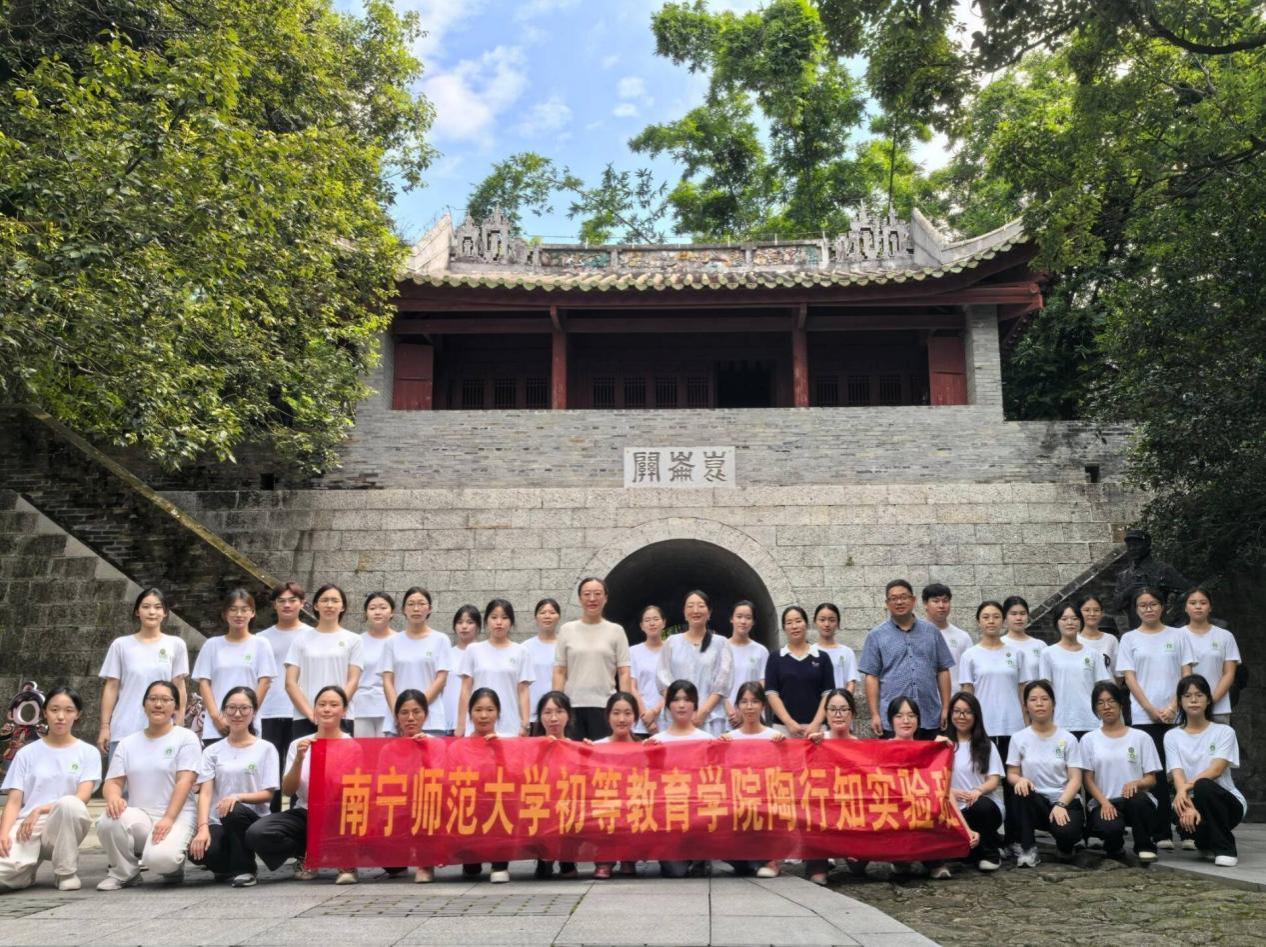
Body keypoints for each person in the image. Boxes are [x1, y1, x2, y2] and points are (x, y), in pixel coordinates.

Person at [244, 685, 356, 884]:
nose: (327, 709)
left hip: (339, 815)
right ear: (314, 709)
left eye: (333, 705)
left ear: (344, 710)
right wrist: (299, 760)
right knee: (257, 833)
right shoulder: (299, 744)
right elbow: (288, 791)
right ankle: (306, 853)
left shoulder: (352, 746)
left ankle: (344, 860)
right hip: (306, 812)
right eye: (322, 704)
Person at [95, 680, 201, 890]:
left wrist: (168, 818)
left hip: (177, 815)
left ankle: (172, 865)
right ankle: (125, 873)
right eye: (152, 699)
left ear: (175, 706)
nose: (158, 704)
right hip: (141, 816)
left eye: (165, 700)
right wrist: (114, 798)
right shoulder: (127, 743)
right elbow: (113, 781)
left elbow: (185, 780)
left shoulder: (185, 738)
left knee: (162, 861)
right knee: (108, 820)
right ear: (144, 705)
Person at [0, 686, 100, 891]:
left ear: (77, 714)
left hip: (63, 824)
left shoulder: (88, 752)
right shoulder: (26, 753)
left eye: (68, 710)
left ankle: (65, 872)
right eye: (54, 710)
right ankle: (24, 873)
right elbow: (14, 801)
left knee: (70, 804)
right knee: (4, 875)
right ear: (45, 713)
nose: (60, 716)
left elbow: (82, 797)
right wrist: (3, 834)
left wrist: (40, 809)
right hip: (26, 826)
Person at [1117, 586, 1194, 848]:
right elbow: (1129, 678)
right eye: (1142, 605)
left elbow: (1186, 674)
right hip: (1144, 716)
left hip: (1176, 714)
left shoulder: (1179, 635)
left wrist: (1173, 705)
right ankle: (1161, 833)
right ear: (1136, 609)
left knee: (1182, 771)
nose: (1148, 609)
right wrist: (1150, 708)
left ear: (1162, 606)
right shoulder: (1129, 639)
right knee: (1155, 775)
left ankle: (1188, 830)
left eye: (1153, 604)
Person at [188, 686, 280, 887]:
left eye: (244, 708)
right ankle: (226, 866)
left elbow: (268, 793)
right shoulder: (212, 751)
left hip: (252, 819)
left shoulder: (266, 748)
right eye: (231, 708)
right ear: (223, 711)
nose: (237, 714)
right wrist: (202, 828)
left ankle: (244, 869)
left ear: (253, 712)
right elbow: (205, 794)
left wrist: (238, 797)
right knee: (199, 852)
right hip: (218, 819)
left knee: (233, 810)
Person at [957, 600, 1027, 859]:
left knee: (1013, 784)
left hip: (1013, 728)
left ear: (1003, 620)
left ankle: (1015, 838)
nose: (991, 621)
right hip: (983, 731)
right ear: (978, 621)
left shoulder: (1015, 653)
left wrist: (1026, 725)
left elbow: (1022, 692)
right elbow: (967, 695)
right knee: (984, 782)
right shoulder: (970, 655)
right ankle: (988, 837)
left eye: (996, 616)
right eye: (986, 617)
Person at [97, 587, 190, 759]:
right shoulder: (121, 645)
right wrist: (104, 726)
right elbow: (111, 687)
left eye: (157, 607)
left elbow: (179, 685)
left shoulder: (175, 644)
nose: (152, 612)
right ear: (137, 612)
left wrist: (180, 719)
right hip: (124, 728)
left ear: (165, 613)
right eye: (146, 607)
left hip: (164, 729)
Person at [1167, 674, 1247, 867]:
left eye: (1199, 695)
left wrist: (1183, 789)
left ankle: (1226, 849)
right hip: (1190, 798)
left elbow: (1216, 770)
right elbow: (1177, 773)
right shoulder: (1172, 736)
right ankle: (1204, 841)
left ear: (1208, 699)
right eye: (1187, 696)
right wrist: (1187, 804)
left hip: (1226, 801)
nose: (1193, 700)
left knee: (1204, 785)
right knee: (1180, 815)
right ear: (1180, 701)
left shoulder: (1224, 732)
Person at [859, 579, 954, 737]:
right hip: (892, 720)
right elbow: (871, 676)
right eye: (894, 598)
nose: (899, 602)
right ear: (887, 603)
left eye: (904, 597)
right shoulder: (876, 636)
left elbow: (943, 670)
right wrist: (874, 714)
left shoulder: (932, 632)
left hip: (929, 715)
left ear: (913, 600)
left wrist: (945, 708)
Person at [1006, 680, 1085, 867]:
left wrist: (1061, 804)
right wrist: (1020, 780)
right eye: (1033, 700)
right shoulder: (1018, 738)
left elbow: (1075, 779)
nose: (1039, 704)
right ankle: (1028, 848)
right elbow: (1011, 773)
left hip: (1064, 801)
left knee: (1066, 834)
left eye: (1044, 699)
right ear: (1026, 706)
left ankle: (1066, 845)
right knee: (1021, 791)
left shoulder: (1068, 739)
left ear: (1053, 704)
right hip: (1035, 802)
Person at [1080, 681, 1160, 862]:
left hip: (1135, 800)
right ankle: (1114, 846)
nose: (1106, 707)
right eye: (1100, 703)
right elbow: (1087, 780)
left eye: (1111, 701)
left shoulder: (1141, 737)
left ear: (1121, 703)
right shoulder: (1089, 740)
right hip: (1104, 801)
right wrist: (1104, 803)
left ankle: (1145, 846)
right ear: (1095, 708)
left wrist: (1138, 783)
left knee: (1139, 800)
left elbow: (1151, 778)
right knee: (1110, 828)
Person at [192, 589, 278, 745]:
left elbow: (264, 682)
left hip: (249, 725)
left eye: (244, 609)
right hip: (217, 726)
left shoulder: (261, 644)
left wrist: (247, 714)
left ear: (252, 613)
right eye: (233, 609)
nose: (239, 614)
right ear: (225, 614)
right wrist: (216, 717)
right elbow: (204, 683)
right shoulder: (212, 645)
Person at [648, 680, 714, 878]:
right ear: (668, 706)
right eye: (676, 700)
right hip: (669, 818)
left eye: (687, 700)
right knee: (675, 872)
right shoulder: (656, 742)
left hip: (700, 815)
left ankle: (702, 856)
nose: (682, 705)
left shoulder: (708, 740)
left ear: (695, 705)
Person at [553, 578, 632, 741]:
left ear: (605, 598)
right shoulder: (567, 630)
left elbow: (624, 672)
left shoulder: (616, 631)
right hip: (572, 706)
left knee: (602, 755)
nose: (592, 599)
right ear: (579, 598)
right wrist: (556, 704)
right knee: (572, 754)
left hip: (605, 706)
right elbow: (559, 671)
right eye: (587, 594)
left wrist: (625, 705)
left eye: (597, 594)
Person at [257, 581, 313, 811]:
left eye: (292, 600)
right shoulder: (262, 638)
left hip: (301, 711)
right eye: (281, 601)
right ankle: (273, 815)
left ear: (302, 603)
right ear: (274, 605)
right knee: (271, 767)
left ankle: (296, 813)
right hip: (269, 710)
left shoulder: (312, 635)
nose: (287, 605)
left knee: (299, 764)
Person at [719, 682, 783, 879]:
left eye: (754, 701)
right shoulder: (728, 738)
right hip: (737, 806)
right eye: (744, 702)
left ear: (763, 705)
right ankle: (746, 861)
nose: (749, 707)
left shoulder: (774, 736)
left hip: (766, 806)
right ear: (737, 706)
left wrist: (783, 746)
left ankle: (770, 859)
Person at [284, 584, 363, 739]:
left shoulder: (354, 640)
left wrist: (336, 709)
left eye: (335, 600)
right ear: (316, 605)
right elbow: (290, 683)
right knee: (305, 754)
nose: (329, 605)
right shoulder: (300, 639)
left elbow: (353, 681)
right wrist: (310, 713)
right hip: (305, 716)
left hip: (341, 717)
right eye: (324, 600)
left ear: (342, 607)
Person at [656, 591, 733, 737]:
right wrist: (679, 709)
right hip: (675, 718)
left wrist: (702, 713)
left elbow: (722, 682)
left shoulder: (720, 643)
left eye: (701, 606)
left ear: (709, 612)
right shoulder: (672, 642)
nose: (695, 610)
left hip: (710, 719)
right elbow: (663, 679)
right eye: (690, 606)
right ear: (684, 613)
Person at [805, 689, 859, 884]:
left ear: (852, 713)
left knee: (858, 867)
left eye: (843, 709)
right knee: (818, 877)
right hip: (823, 815)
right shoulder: (817, 741)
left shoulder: (862, 746)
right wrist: (810, 747)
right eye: (833, 709)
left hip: (852, 816)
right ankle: (821, 860)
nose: (838, 715)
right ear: (826, 713)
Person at [945, 692, 1004, 873]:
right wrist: (952, 792)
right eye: (956, 711)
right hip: (952, 807)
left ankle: (990, 854)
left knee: (980, 807)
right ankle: (984, 844)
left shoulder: (986, 745)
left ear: (975, 715)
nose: (961, 716)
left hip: (981, 805)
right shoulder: (944, 744)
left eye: (967, 712)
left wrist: (978, 791)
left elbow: (993, 779)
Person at [382, 588, 453, 736]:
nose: (416, 608)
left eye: (421, 604)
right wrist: (399, 713)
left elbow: (441, 679)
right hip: (397, 722)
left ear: (430, 608)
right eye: (411, 604)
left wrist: (417, 709)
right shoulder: (391, 642)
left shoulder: (440, 640)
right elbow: (387, 681)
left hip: (431, 718)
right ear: (403, 609)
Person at [456, 599, 533, 736]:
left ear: (511, 622)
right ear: (486, 621)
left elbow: (523, 691)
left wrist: (525, 724)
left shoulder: (521, 651)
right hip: (477, 724)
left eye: (504, 617)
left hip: (510, 724)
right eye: (494, 617)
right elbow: (465, 689)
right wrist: (461, 724)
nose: (499, 622)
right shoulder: (473, 650)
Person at [385, 689, 437, 883]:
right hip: (399, 809)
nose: (411, 718)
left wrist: (425, 750)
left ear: (425, 715)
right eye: (404, 713)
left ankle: (425, 863)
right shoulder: (389, 748)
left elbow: (443, 781)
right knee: (391, 864)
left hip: (428, 808)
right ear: (397, 717)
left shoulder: (436, 744)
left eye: (416, 712)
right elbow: (382, 787)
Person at [461, 687, 513, 883]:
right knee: (471, 871)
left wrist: (499, 749)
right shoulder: (459, 745)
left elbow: (516, 776)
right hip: (470, 809)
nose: (484, 716)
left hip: (498, 807)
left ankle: (500, 863)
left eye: (490, 710)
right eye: (478, 710)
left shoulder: (508, 743)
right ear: (470, 713)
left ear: (498, 713)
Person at [1039, 604, 1111, 738]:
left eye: (1074, 618)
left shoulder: (1093, 654)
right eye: (1064, 619)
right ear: (1056, 623)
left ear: (1081, 622)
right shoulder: (1047, 653)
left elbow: (1101, 689)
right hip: (1060, 721)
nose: (1070, 622)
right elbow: (1045, 691)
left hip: (1091, 720)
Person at [590, 692, 640, 879]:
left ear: (635, 716)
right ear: (608, 716)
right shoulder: (596, 746)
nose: (621, 719)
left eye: (627, 713)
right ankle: (605, 859)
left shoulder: (644, 747)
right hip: (606, 807)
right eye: (616, 713)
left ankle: (630, 857)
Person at [764, 606, 832, 738]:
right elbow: (771, 694)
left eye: (798, 621)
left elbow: (827, 694)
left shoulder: (822, 657)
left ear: (806, 624)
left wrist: (816, 723)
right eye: (789, 623)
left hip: (816, 729)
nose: (794, 626)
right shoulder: (775, 658)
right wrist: (788, 722)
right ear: (784, 628)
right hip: (783, 729)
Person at [533, 691, 578, 880]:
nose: (553, 718)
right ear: (539, 717)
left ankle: (567, 858)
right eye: (547, 712)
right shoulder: (530, 747)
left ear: (568, 715)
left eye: (559, 712)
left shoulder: (578, 747)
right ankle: (544, 856)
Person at [1181, 588, 1240, 725]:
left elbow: (1229, 673)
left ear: (1210, 607)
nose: (1198, 606)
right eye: (1193, 603)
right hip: (1185, 708)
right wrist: (1192, 700)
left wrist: (1209, 701)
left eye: (1203, 603)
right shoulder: (1176, 636)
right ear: (1185, 608)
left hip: (1218, 708)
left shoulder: (1225, 636)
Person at [351, 592, 397, 737]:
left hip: (391, 707)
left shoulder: (400, 640)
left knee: (388, 750)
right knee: (363, 750)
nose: (377, 612)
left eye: (383, 607)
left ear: (392, 612)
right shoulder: (357, 641)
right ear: (366, 613)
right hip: (361, 708)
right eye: (372, 608)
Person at [724, 600, 770, 727]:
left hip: (753, 716)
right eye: (739, 617)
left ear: (753, 622)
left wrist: (744, 711)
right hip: (726, 717)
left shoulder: (761, 651)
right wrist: (731, 711)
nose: (743, 621)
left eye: (748, 618)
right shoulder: (721, 648)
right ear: (731, 619)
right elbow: (716, 685)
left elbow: (762, 684)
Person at [924, 584, 973, 693]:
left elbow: (970, 675)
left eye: (945, 601)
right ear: (925, 604)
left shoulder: (963, 637)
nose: (941, 605)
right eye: (936, 601)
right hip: (925, 699)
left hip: (955, 699)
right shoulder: (914, 635)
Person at [442, 605, 481, 737]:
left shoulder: (483, 653)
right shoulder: (446, 654)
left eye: (469, 622)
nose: (464, 626)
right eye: (459, 622)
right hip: (448, 721)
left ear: (478, 627)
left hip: (476, 722)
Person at [525, 598, 562, 732]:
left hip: (559, 713)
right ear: (536, 618)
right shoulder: (525, 648)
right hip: (533, 713)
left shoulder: (565, 645)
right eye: (542, 613)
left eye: (552, 612)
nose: (547, 616)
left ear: (559, 617)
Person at [629, 605, 666, 739]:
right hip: (641, 721)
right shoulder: (633, 652)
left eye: (656, 619)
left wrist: (654, 711)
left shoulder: (671, 650)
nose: (652, 623)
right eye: (647, 620)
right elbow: (632, 687)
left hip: (666, 719)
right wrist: (646, 717)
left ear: (663, 623)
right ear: (641, 626)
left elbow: (673, 687)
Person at [1001, 596, 1046, 688]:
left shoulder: (1040, 645)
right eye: (1013, 614)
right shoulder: (1000, 645)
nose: (1018, 618)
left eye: (1022, 613)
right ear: (1005, 617)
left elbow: (1046, 680)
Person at [812, 603, 858, 693]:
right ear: (815, 622)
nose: (827, 624)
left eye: (832, 620)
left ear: (838, 623)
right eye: (822, 620)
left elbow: (851, 683)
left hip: (840, 701)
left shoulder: (847, 652)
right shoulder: (809, 652)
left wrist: (843, 699)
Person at [1077, 594, 1119, 680]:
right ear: (1078, 613)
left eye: (1096, 610)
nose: (1092, 614)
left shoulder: (1111, 640)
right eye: (1087, 610)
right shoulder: (1073, 640)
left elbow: (1118, 673)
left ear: (1102, 613)